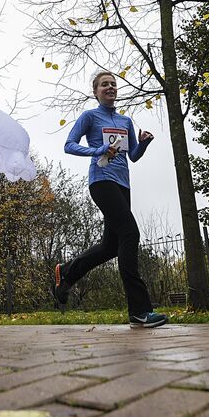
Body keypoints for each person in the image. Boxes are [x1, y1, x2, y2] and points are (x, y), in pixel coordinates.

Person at [55, 71, 168, 328]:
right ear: (95, 91)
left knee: (109, 246)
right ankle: (140, 311)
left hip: (123, 184)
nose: (110, 87)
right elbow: (69, 145)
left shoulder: (125, 121)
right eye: (104, 84)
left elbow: (133, 156)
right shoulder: (89, 117)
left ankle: (68, 272)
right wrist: (98, 150)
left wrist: (144, 143)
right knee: (130, 234)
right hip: (101, 180)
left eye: (113, 84)